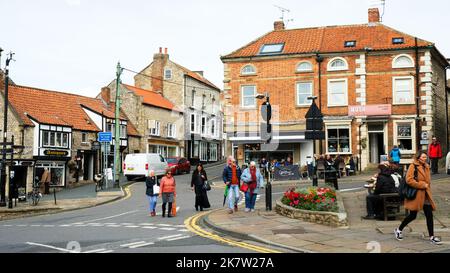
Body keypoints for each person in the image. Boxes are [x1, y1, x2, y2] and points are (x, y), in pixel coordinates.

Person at [394, 152, 442, 245]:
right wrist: (422, 185)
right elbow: (409, 180)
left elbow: (428, 181)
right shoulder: (413, 166)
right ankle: (399, 229)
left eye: (426, 157)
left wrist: (427, 187)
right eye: (423, 157)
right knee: (413, 216)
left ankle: (432, 237)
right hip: (416, 195)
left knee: (429, 215)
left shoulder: (426, 166)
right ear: (419, 158)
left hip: (426, 195)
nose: (425, 158)